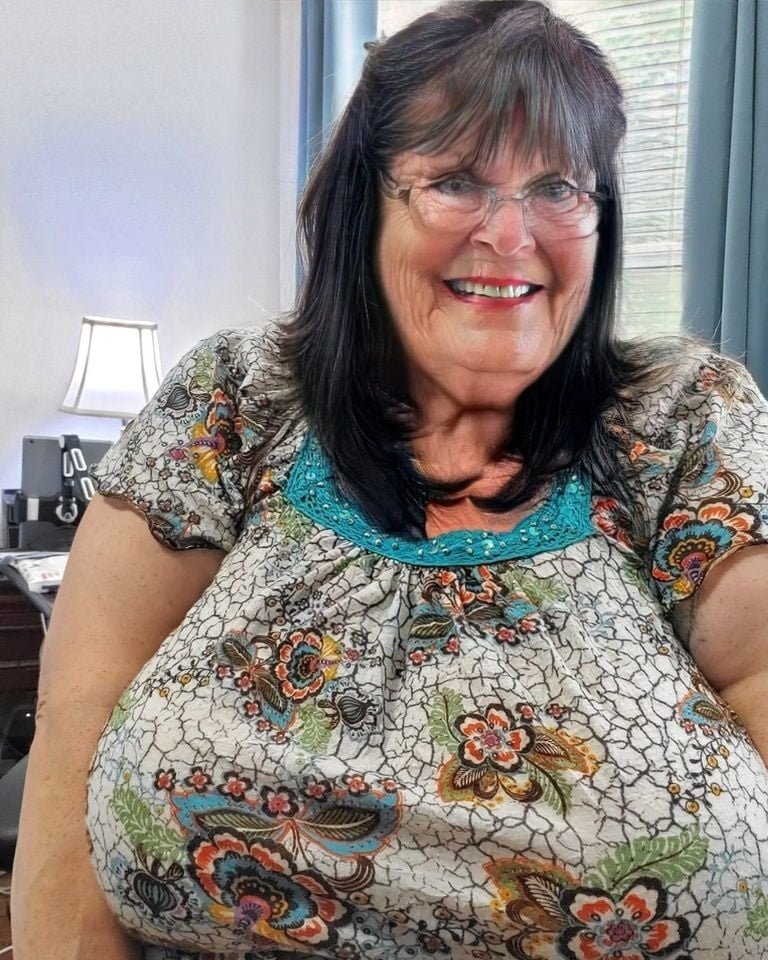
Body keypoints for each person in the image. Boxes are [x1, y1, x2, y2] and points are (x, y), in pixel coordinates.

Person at [12, 1, 768, 958]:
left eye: (557, 187)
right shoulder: (233, 402)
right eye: (455, 181)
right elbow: (71, 740)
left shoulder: (686, 420)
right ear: (363, 206)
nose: (510, 235)